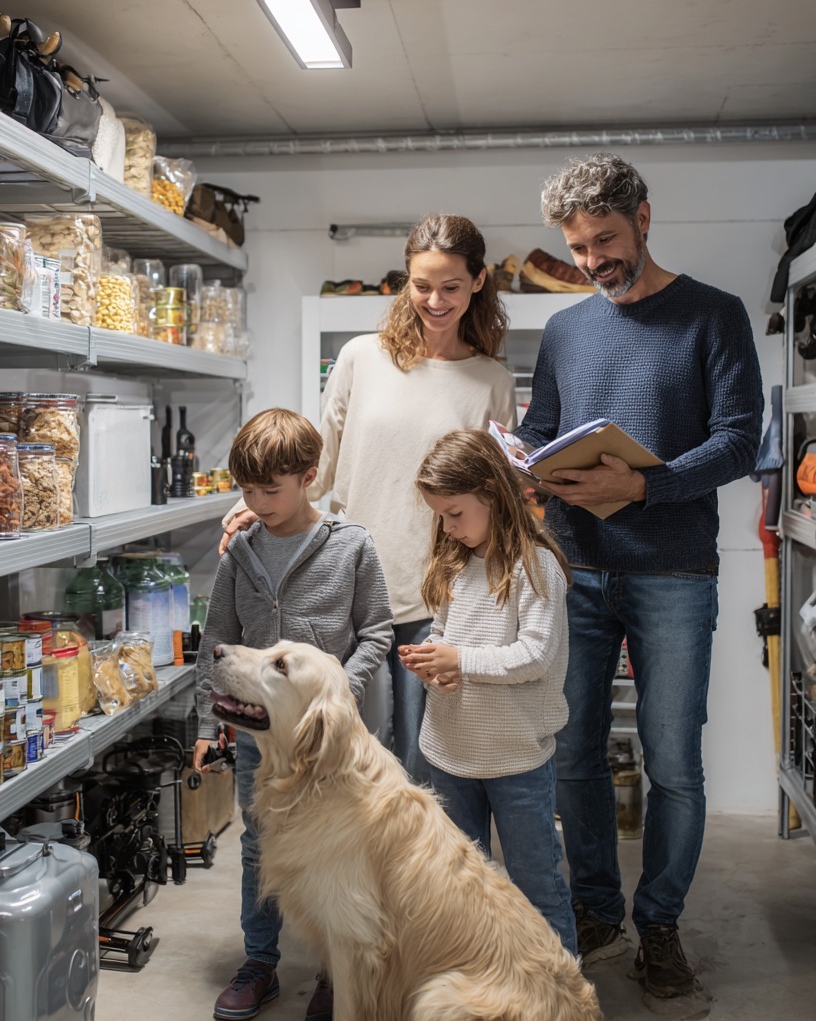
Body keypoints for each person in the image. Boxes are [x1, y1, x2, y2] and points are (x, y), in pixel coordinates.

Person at [516, 152, 763, 999]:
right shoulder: (566, 329)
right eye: (579, 247)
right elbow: (544, 426)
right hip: (573, 568)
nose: (593, 261)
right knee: (572, 757)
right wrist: (524, 462)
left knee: (674, 764)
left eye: (606, 240)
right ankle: (595, 909)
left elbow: (737, 440)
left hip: (674, 574)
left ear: (645, 218)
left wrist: (644, 486)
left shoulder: (714, 316)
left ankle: (659, 922)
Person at [223, 214, 517, 785]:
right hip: (344, 592)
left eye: (451, 286)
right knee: (336, 763)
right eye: (421, 284)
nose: (435, 299)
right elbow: (319, 464)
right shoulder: (362, 357)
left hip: (438, 599)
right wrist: (259, 505)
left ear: (477, 282)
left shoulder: (492, 382)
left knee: (419, 768)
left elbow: (492, 500)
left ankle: (408, 876)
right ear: (405, 281)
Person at [194, 407, 393, 1021]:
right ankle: (261, 961)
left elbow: (378, 631)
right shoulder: (240, 555)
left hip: (335, 739)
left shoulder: (351, 546)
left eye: (269, 489)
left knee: (343, 851)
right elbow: (216, 643)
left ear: (310, 475)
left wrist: (340, 690)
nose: (256, 501)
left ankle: (340, 971)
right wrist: (208, 724)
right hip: (264, 736)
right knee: (260, 845)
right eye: (246, 489)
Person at [398, 428, 577, 956]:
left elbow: (535, 657)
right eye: (440, 517)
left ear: (492, 494)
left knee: (536, 885)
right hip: (449, 754)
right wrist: (437, 664)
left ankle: (562, 997)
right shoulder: (455, 561)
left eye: (455, 513)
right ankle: (483, 989)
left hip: (516, 759)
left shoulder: (536, 567)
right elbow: (445, 636)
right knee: (462, 890)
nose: (449, 528)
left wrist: (461, 662)